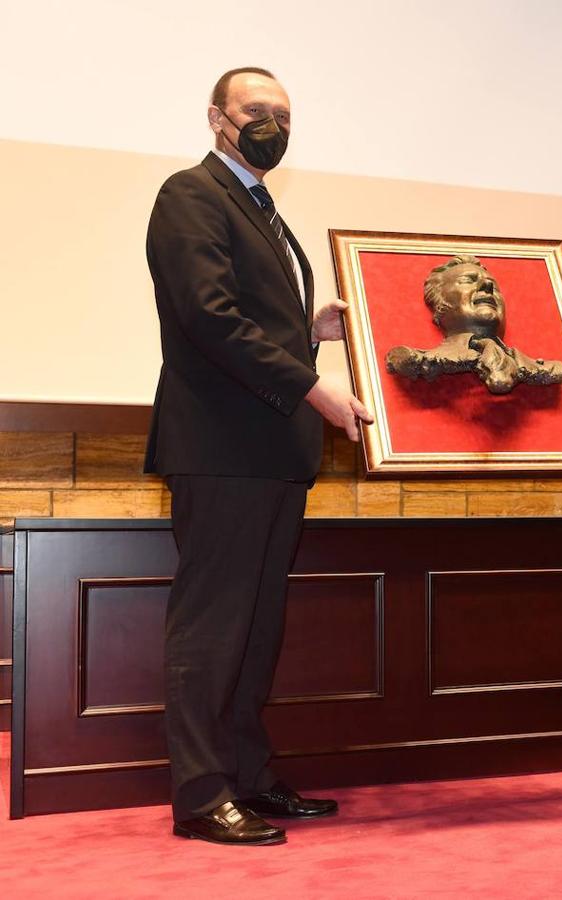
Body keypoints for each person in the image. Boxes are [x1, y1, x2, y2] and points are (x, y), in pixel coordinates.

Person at [145, 66, 373, 845]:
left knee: (257, 627)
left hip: (271, 451)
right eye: (255, 111)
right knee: (213, 627)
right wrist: (313, 385)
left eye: (282, 113)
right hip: (221, 449)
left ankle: (247, 775)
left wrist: (311, 331)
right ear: (217, 118)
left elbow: (251, 321)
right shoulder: (191, 195)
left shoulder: (261, 208)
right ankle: (202, 795)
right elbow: (210, 318)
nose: (271, 124)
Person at [386, 254, 562, 394]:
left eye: (494, 286)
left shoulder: (547, 369)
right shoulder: (415, 360)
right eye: (467, 281)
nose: (487, 285)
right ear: (440, 303)